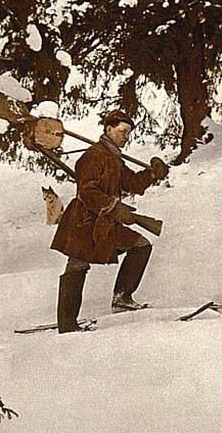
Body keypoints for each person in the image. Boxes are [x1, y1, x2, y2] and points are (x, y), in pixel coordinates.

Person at [50, 110, 169, 333]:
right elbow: (87, 191)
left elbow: (131, 182)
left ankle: (122, 298)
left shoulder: (114, 158)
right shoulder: (93, 157)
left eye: (128, 133)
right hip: (83, 221)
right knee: (77, 265)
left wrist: (152, 174)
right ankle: (67, 325)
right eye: (122, 132)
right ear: (108, 129)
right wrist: (113, 207)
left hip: (104, 222)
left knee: (141, 245)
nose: (126, 137)